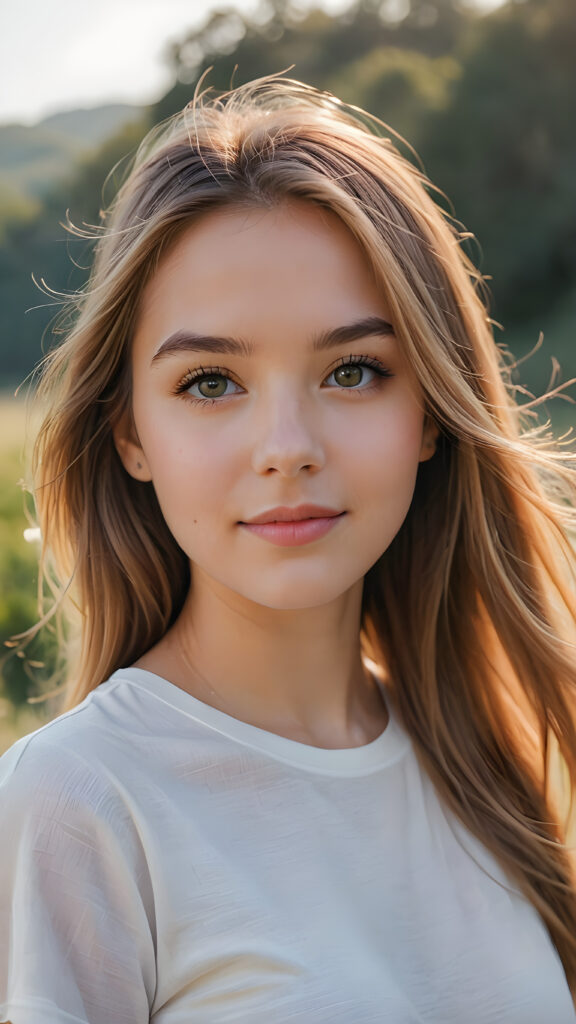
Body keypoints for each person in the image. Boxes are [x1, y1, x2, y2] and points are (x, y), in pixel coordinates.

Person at [1, 74, 575, 1023]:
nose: (288, 448)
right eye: (211, 382)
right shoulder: (80, 807)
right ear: (130, 435)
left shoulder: (480, 762)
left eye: (353, 370)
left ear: (429, 409)